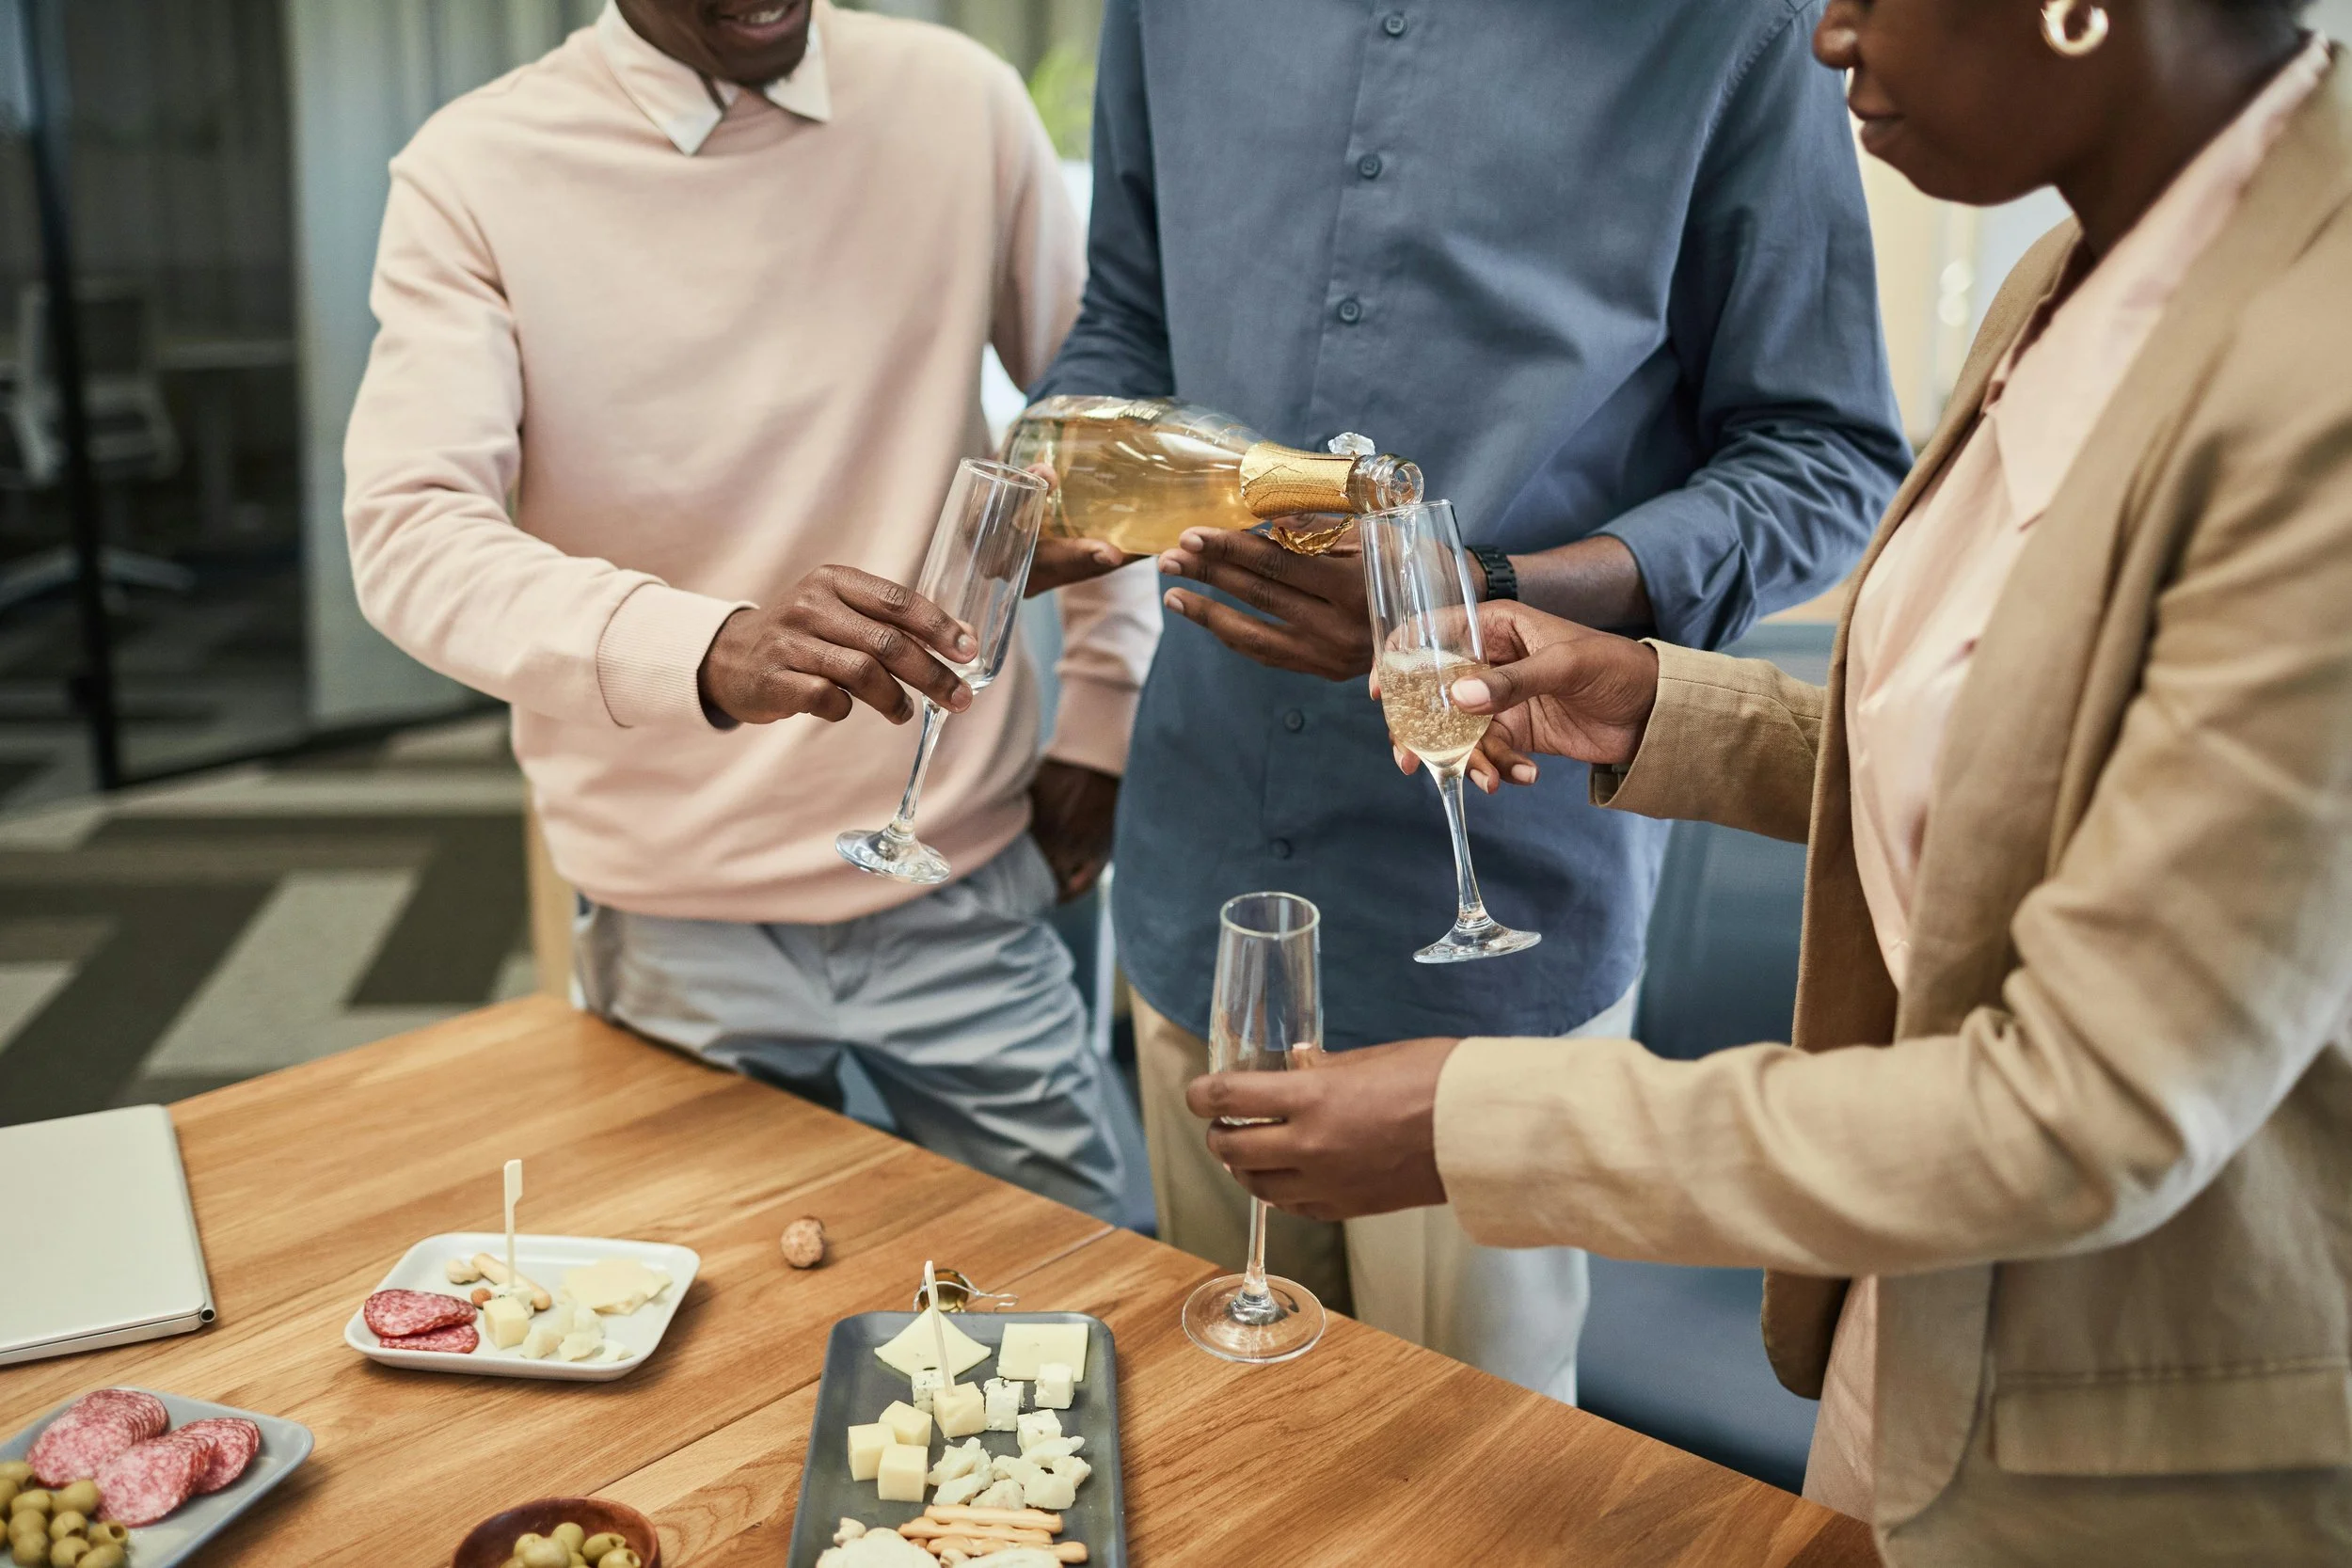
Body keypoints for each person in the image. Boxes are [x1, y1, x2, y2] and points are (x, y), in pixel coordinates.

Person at [1191, 3, 2352, 1562]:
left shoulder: (2320, 391)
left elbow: (2084, 1113)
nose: (1829, 34)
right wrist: (1655, 702)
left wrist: (1472, 1118)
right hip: (1917, 1330)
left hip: (2130, 1442)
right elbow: (2028, 776)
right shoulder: (2076, 274)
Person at [1030, 0, 1909, 1398]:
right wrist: (1054, 481)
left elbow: (1823, 455)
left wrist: (1491, 586)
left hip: (1500, 919)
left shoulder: (1740, 25)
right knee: (1220, 1432)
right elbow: (1127, 325)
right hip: (1202, 873)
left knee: (1467, 1481)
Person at [342, 0, 1160, 1224]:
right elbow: (409, 535)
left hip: (961, 877)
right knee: (717, 1312)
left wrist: (1105, 716)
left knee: (1075, 1284)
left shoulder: (959, 100)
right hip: (674, 913)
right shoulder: (474, 171)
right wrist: (709, 648)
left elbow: (1104, 427)